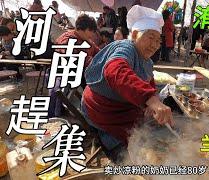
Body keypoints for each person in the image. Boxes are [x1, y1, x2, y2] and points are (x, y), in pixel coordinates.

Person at [81, 5, 174, 163]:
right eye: (150, 37)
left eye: (158, 41)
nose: (154, 45)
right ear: (135, 34)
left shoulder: (146, 60)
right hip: (101, 109)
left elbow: (148, 82)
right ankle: (116, 153)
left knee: (148, 129)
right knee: (128, 148)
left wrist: (153, 100)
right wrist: (151, 100)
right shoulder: (126, 47)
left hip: (120, 107)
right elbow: (115, 70)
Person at [48, 14, 100, 118]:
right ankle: (53, 118)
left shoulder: (87, 41)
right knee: (55, 91)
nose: (93, 35)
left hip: (83, 73)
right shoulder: (67, 38)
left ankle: (94, 111)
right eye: (91, 31)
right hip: (64, 72)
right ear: (84, 29)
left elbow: (99, 53)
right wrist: (90, 60)